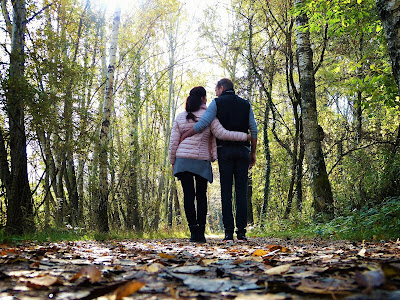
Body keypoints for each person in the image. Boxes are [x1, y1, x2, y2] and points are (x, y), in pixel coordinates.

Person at [180, 78, 257, 242]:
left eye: (216, 89)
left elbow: (203, 123)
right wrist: (253, 153)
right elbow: (254, 130)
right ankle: (241, 233)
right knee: (241, 192)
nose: (215, 93)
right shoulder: (246, 104)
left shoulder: (217, 103)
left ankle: (228, 233)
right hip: (243, 150)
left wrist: (185, 135)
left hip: (225, 152)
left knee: (227, 192)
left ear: (221, 88)